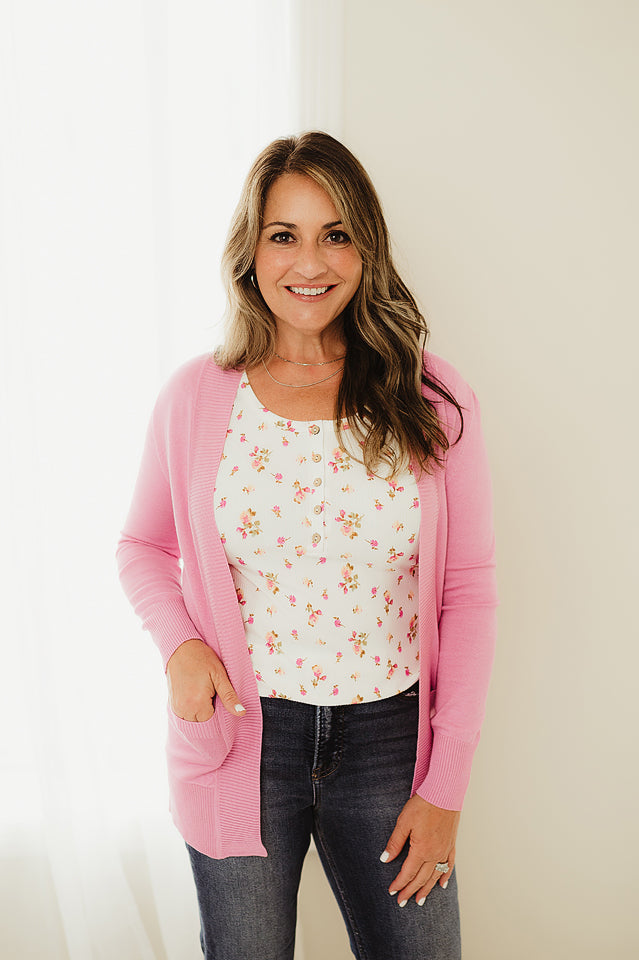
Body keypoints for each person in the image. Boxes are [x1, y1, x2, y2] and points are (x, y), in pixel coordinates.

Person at [116, 131, 497, 960]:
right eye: (283, 235)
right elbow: (141, 544)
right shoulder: (196, 396)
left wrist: (446, 784)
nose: (309, 262)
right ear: (250, 252)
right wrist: (180, 646)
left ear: (367, 246)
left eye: (335, 234)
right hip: (243, 736)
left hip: (392, 741)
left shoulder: (430, 396)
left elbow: (467, 589)